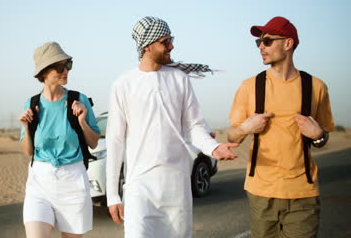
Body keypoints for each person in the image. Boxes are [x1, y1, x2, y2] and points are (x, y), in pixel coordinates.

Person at [105, 16, 239, 238]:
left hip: (177, 187)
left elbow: (193, 126)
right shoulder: (123, 84)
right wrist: (112, 195)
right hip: (139, 188)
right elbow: (115, 140)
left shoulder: (180, 79)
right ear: (147, 46)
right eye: (165, 42)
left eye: (171, 40)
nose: (172, 46)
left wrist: (214, 148)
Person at [227, 16, 334, 238]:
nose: (260, 48)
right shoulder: (249, 87)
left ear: (288, 43)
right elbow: (232, 137)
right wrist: (246, 127)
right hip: (261, 193)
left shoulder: (316, 87)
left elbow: (324, 139)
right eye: (259, 43)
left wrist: (318, 135)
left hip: (303, 193)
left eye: (267, 41)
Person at [18, 42, 101, 238]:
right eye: (60, 67)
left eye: (68, 65)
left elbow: (94, 142)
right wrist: (25, 128)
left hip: (73, 182)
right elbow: (29, 151)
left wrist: (82, 121)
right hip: (39, 182)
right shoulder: (31, 104)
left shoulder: (79, 99)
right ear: (44, 71)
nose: (66, 71)